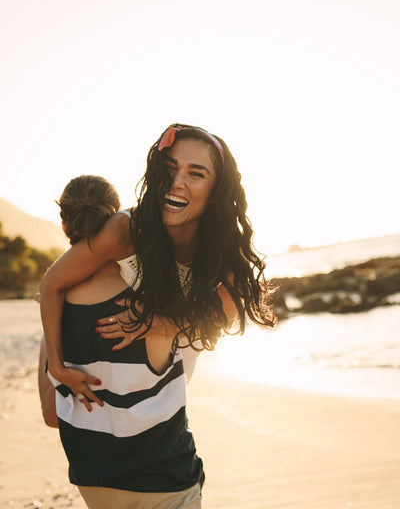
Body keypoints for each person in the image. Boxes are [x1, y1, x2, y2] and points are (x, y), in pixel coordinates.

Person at [40, 124, 276, 508]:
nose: (177, 182)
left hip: (162, 401)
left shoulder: (226, 263)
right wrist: (57, 367)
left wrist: (159, 323)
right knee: (54, 411)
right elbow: (51, 284)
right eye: (169, 169)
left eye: (195, 173)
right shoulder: (125, 229)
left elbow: (214, 324)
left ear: (217, 191)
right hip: (128, 434)